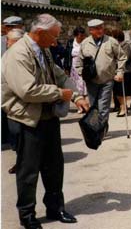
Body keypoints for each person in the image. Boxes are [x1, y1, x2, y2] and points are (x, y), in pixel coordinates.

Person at [2, 14, 89, 229]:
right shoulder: (17, 54)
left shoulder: (44, 49)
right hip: (27, 119)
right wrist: (60, 93)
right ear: (40, 33)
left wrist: (77, 95)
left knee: (54, 166)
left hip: (47, 115)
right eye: (54, 36)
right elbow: (27, 90)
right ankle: (27, 214)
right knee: (28, 170)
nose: (56, 41)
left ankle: (55, 207)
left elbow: (59, 75)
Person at [76, 19, 126, 133]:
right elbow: (79, 60)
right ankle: (95, 127)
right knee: (93, 107)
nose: (100, 30)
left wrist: (119, 72)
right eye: (97, 28)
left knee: (103, 107)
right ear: (91, 30)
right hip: (91, 81)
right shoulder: (85, 43)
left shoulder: (111, 41)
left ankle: (101, 131)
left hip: (107, 80)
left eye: (101, 27)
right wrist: (81, 72)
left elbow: (122, 57)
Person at [3, 28, 25, 175]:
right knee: (15, 134)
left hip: (23, 104)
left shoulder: (26, 56)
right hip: (9, 103)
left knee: (20, 133)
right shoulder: (6, 55)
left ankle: (23, 163)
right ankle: (21, 160)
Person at [111, 29, 131, 117]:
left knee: (122, 92)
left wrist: (114, 59)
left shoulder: (125, 45)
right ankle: (123, 107)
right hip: (116, 71)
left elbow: (124, 58)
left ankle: (123, 108)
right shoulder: (114, 45)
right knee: (118, 92)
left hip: (125, 71)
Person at [64, 27, 88, 113]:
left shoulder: (86, 42)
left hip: (83, 66)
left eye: (83, 35)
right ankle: (79, 106)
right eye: (80, 36)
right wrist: (66, 68)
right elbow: (67, 55)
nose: (82, 37)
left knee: (83, 85)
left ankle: (84, 104)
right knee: (75, 86)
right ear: (76, 35)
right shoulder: (71, 43)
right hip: (73, 67)